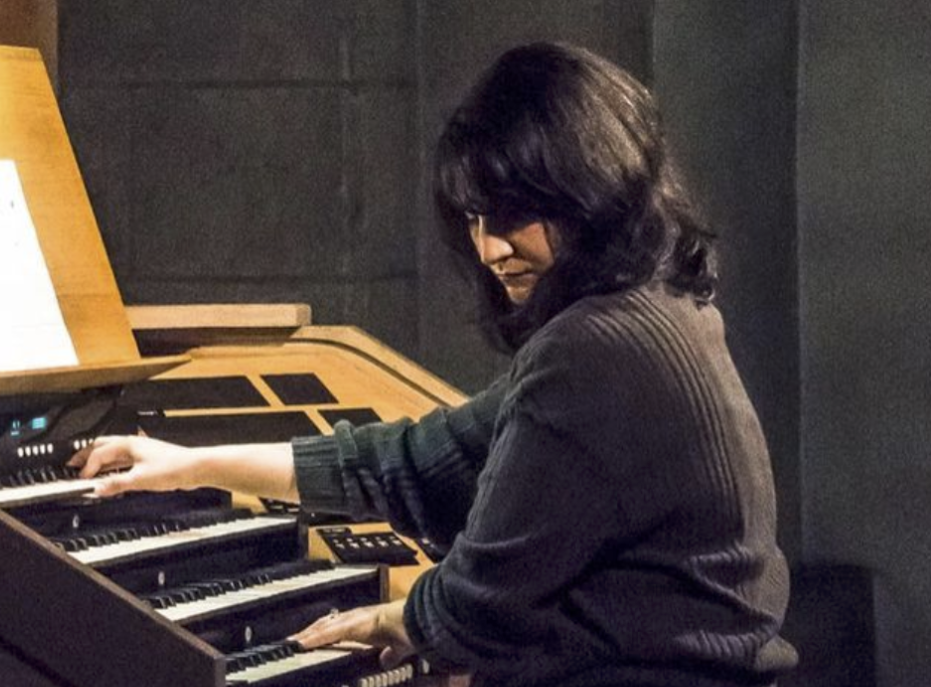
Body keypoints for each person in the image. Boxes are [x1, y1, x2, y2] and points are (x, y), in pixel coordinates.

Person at [71, 43, 796, 686]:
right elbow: (412, 462)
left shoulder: (598, 351)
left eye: (513, 215)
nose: (489, 249)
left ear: (589, 193)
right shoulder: (660, 313)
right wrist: (191, 464)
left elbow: (479, 602)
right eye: (476, 218)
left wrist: (408, 619)